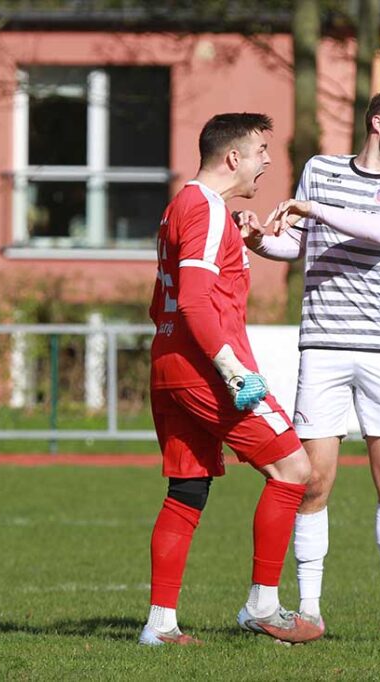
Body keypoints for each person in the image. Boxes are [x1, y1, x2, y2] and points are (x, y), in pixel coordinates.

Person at [240, 89, 380, 643]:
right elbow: (302, 247)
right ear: (376, 122)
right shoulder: (320, 170)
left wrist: (310, 210)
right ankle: (308, 609)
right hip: (325, 349)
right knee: (313, 484)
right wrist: (262, 242)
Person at [139, 113, 324, 646]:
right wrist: (232, 369)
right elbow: (196, 301)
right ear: (233, 158)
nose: (268, 161)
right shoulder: (207, 209)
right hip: (207, 371)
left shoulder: (183, 206)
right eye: (262, 150)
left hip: (169, 363)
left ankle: (161, 625)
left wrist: (244, 244)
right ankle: (263, 606)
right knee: (294, 470)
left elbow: (167, 302)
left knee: (187, 491)